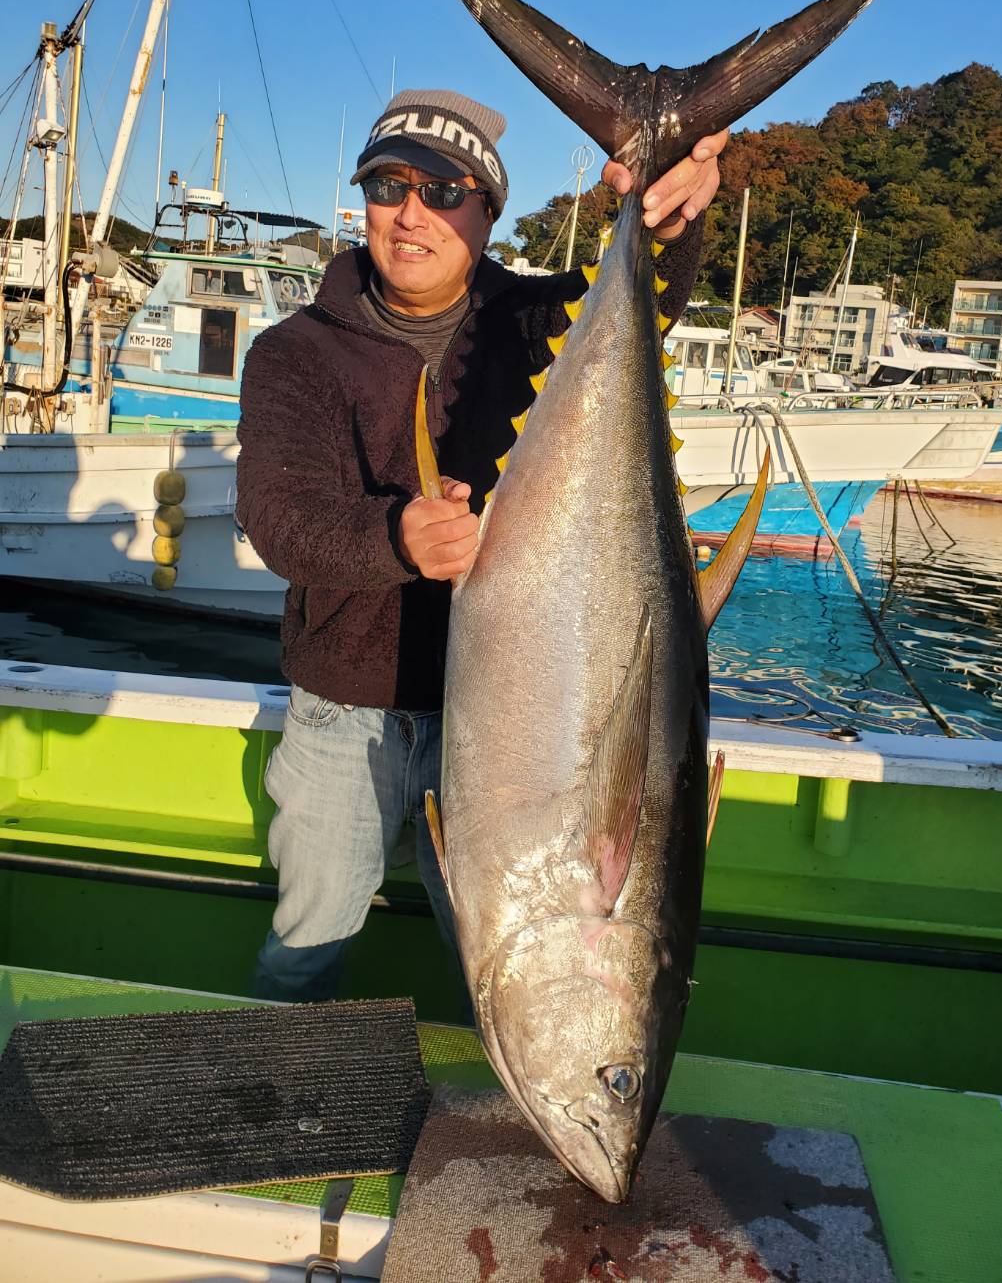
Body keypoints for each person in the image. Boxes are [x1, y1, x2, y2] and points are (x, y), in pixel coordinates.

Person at [236, 89, 726, 1003]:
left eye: (445, 188)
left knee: (505, 959)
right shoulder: (293, 353)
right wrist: (394, 535)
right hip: (345, 716)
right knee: (308, 941)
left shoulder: (537, 322)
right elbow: (277, 515)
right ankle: (269, 1101)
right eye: (388, 185)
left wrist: (669, 210)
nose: (411, 211)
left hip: (513, 730)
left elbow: (643, 309)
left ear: (487, 210)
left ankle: (496, 1129)